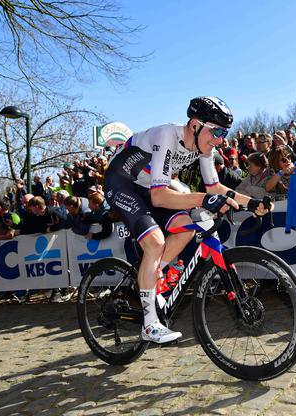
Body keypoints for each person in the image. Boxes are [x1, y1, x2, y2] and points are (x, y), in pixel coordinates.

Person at [103, 96, 271, 344]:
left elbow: (214, 186)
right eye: (216, 131)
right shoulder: (166, 136)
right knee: (155, 242)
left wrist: (251, 202)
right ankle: (149, 325)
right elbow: (160, 197)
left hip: (151, 187)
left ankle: (152, 279)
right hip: (123, 183)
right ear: (194, 125)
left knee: (185, 229)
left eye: (224, 133)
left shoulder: (204, 146)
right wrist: (203, 199)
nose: (219, 140)